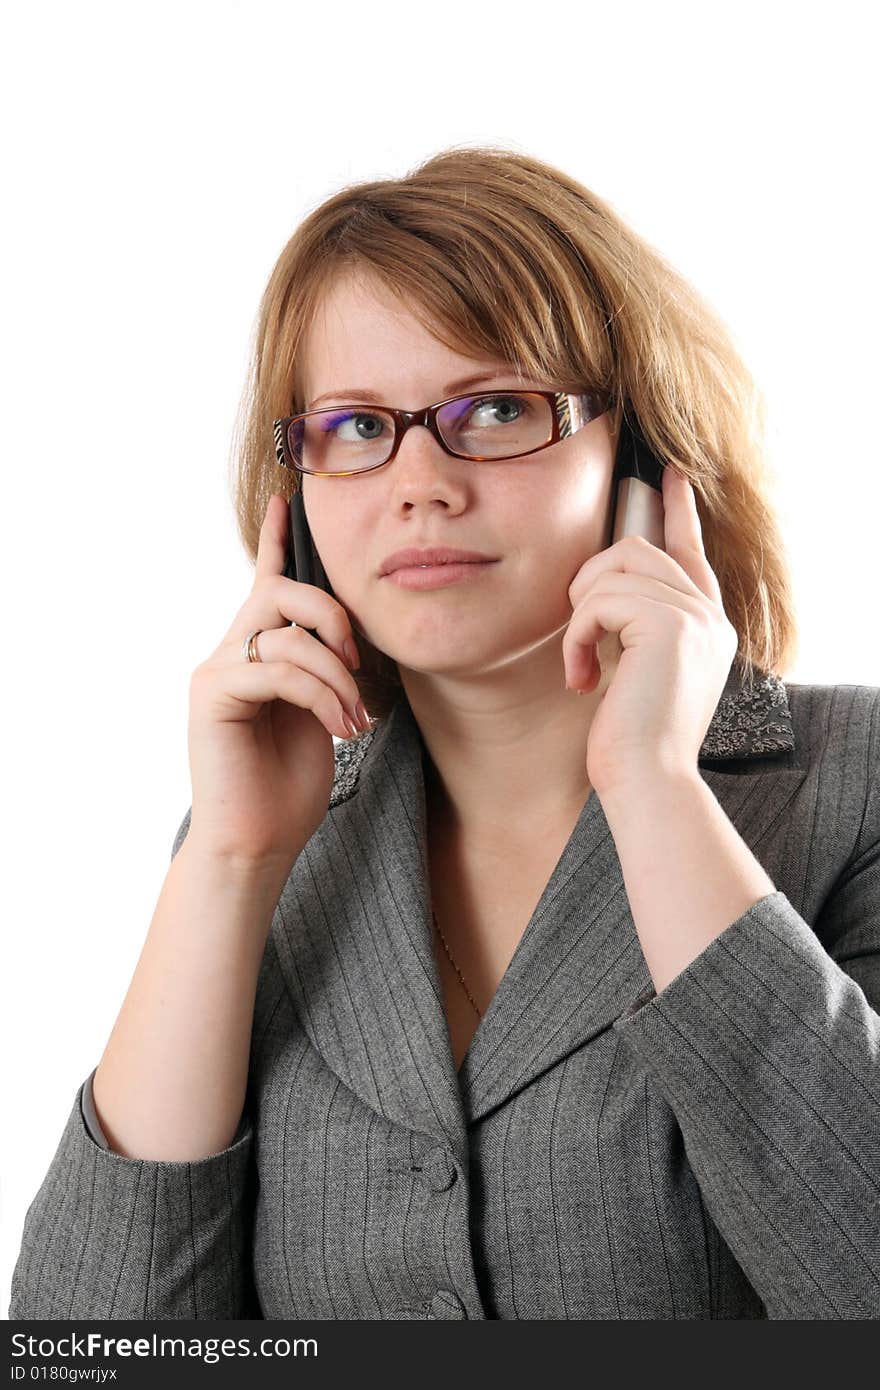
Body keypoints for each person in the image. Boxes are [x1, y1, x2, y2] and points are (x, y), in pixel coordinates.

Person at [9, 146, 880, 1321]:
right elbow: (90, 1349)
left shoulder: (852, 786)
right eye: (358, 426)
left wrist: (655, 784)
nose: (419, 480)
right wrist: (228, 860)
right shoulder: (266, 834)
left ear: (638, 456)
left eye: (498, 409)